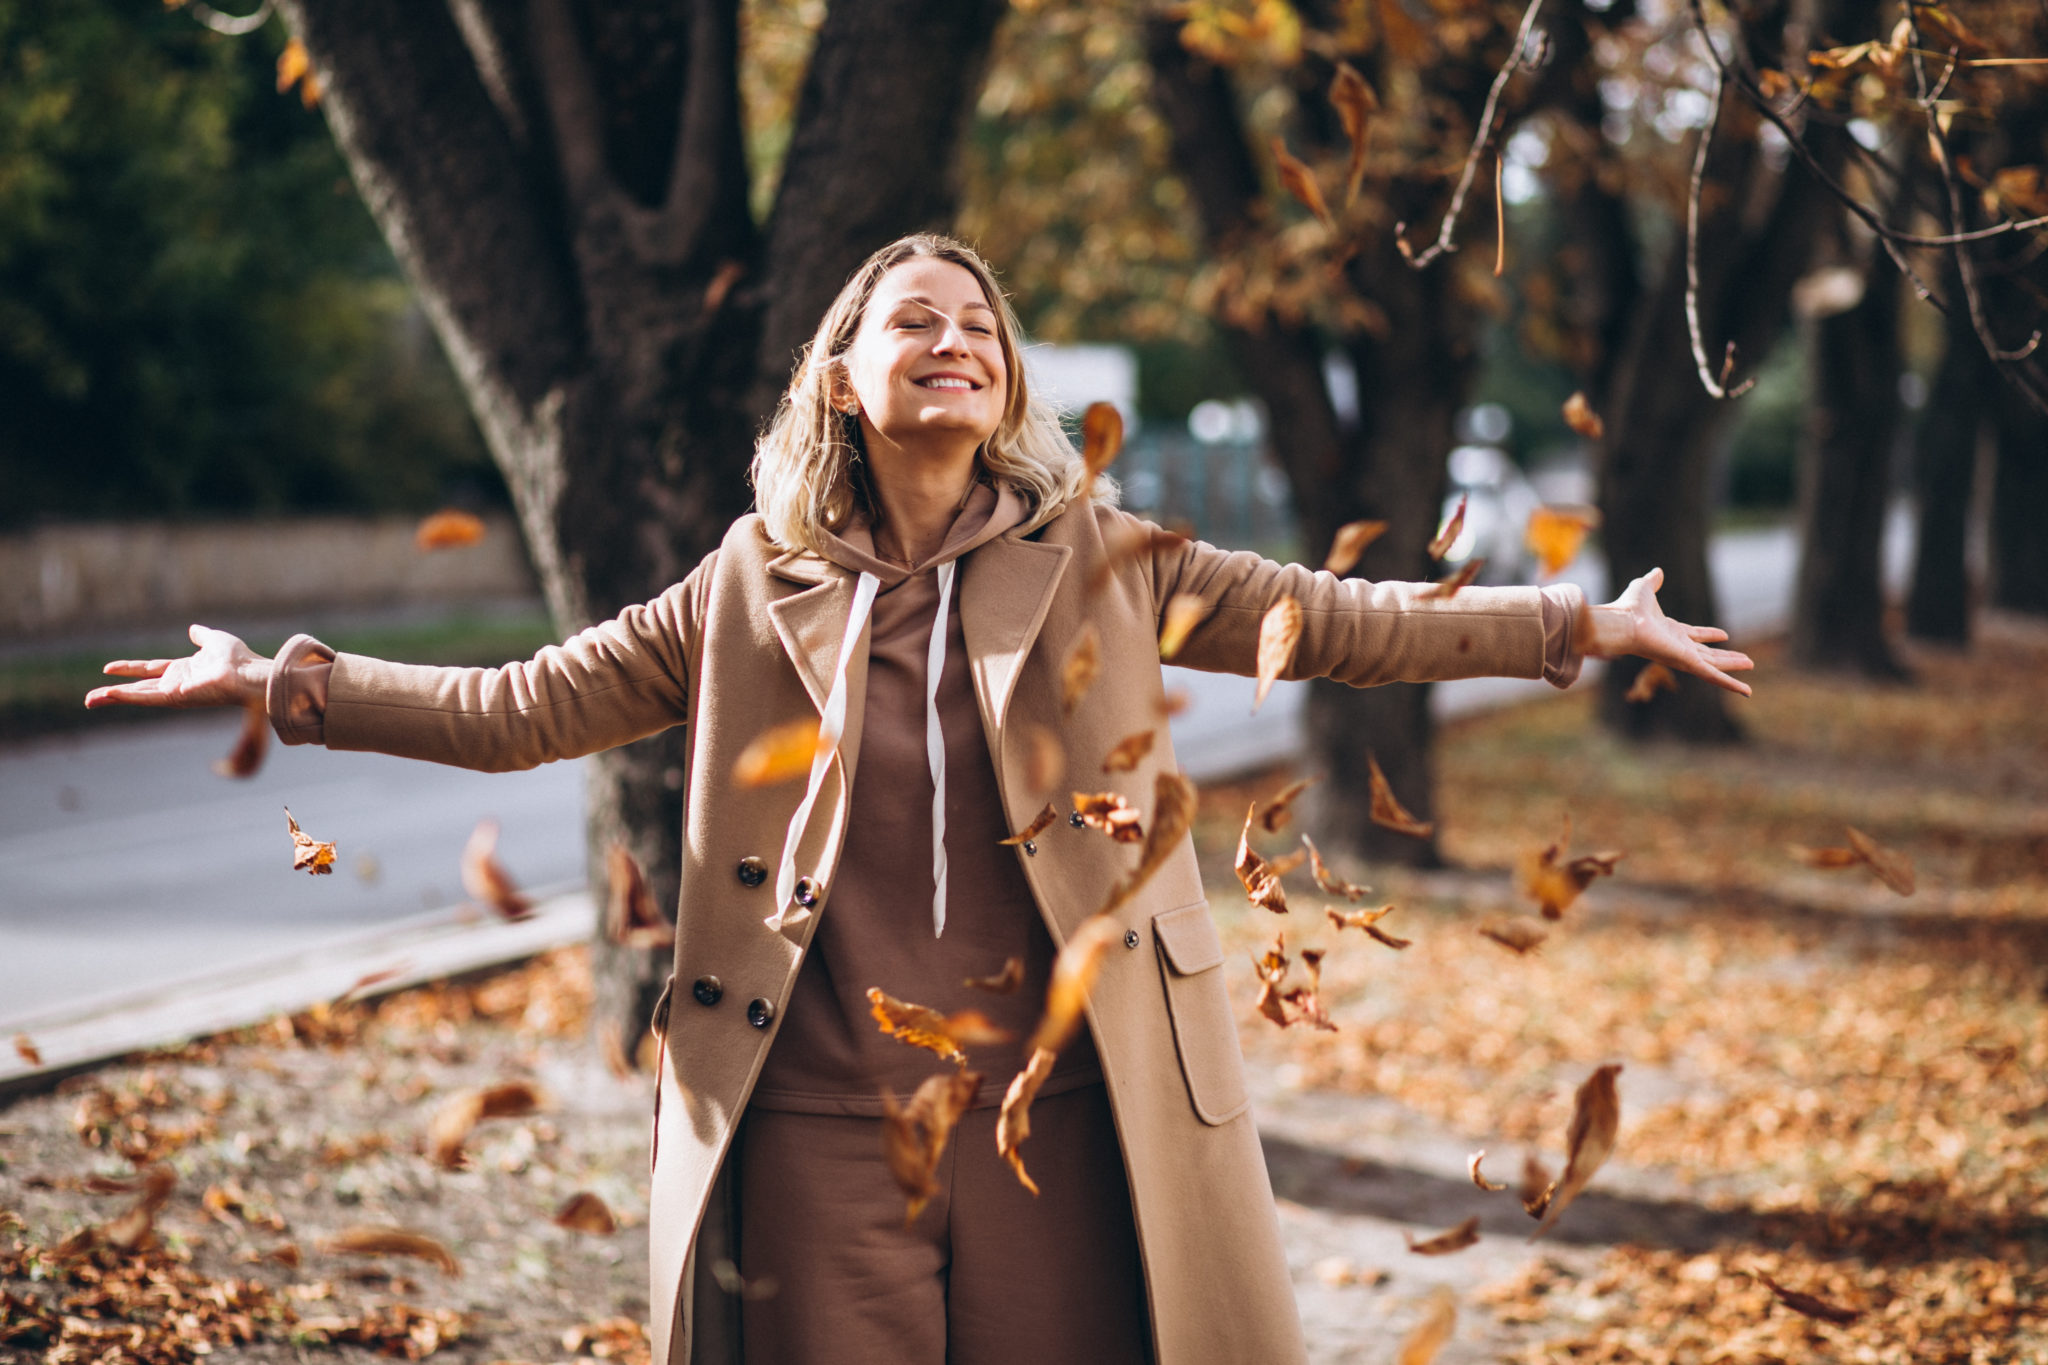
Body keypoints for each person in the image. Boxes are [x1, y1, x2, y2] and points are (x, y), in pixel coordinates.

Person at [86, 233, 1751, 1365]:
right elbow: (527, 705)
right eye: (913, 321)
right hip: (821, 1128)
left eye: (980, 328)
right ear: (840, 378)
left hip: (1067, 1117)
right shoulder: (748, 585)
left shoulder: (1109, 561)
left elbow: (1336, 619)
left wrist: (1574, 623)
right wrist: (288, 685)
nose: (951, 341)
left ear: (1006, 386)